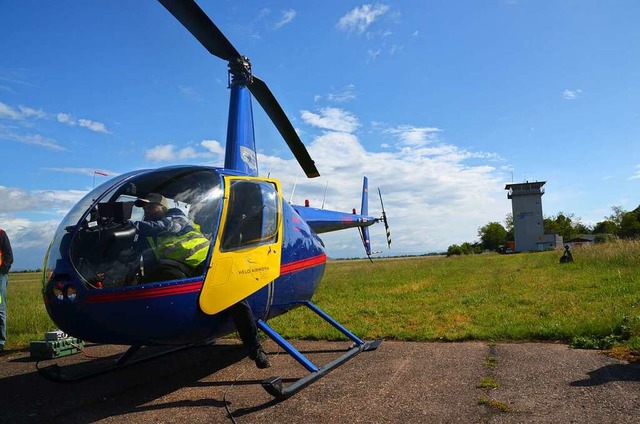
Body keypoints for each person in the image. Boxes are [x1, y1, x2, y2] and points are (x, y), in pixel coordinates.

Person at [133, 194, 270, 368]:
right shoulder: (148, 230)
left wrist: (133, 226)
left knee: (235, 299)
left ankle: (255, 348)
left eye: (151, 207)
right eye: (145, 208)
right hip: (183, 268)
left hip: (206, 263)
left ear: (163, 207)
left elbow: (165, 227)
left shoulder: (175, 216)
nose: (147, 211)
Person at [0, 227, 14, 353]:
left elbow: (9, 256)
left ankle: (0, 343)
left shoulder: (1, 233)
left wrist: (2, 271)